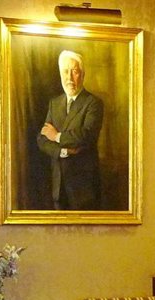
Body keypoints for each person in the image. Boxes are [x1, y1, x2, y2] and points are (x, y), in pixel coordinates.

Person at [36, 50, 103, 210]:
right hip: (58, 184)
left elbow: (86, 136)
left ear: (83, 75)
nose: (70, 78)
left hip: (83, 187)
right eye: (65, 71)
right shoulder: (55, 103)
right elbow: (42, 139)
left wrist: (57, 136)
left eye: (74, 71)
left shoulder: (93, 103)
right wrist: (62, 152)